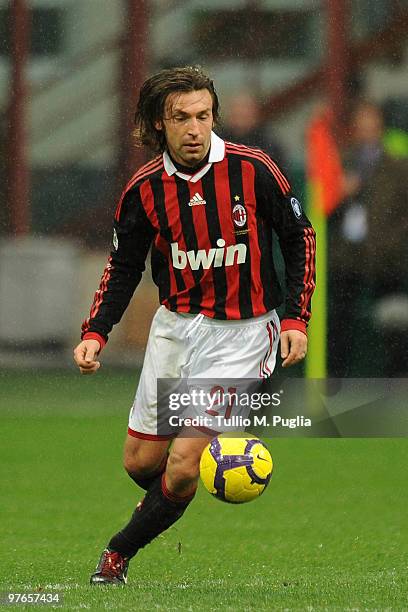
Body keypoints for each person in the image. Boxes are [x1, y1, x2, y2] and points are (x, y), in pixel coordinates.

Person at [73, 66, 316, 585]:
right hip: (175, 332)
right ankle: (176, 492)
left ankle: (116, 555)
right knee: (143, 464)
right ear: (159, 123)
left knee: (183, 463)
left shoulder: (253, 169)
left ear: (214, 117)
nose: (194, 128)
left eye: (203, 116)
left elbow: (299, 237)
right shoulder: (143, 190)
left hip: (244, 335)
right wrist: (96, 331)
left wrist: (295, 316)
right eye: (181, 117)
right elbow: (122, 266)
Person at [328, 100, 408, 377]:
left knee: (393, 322)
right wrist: (341, 193)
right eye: (361, 124)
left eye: (370, 123)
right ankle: (335, 382)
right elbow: (322, 208)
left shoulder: (397, 165)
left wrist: (392, 243)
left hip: (386, 257)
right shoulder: (341, 161)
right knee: (340, 321)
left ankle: (395, 382)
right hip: (347, 255)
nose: (366, 129)